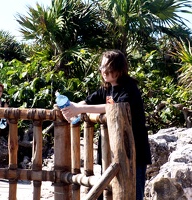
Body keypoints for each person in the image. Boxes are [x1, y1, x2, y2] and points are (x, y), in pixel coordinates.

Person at [61, 50, 152, 200]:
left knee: (133, 194)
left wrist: (79, 109)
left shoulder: (129, 88)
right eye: (101, 67)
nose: (102, 71)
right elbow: (88, 101)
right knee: (107, 193)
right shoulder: (107, 88)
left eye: (106, 67)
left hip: (133, 151)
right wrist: (72, 108)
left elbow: (114, 107)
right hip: (110, 151)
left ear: (118, 68)